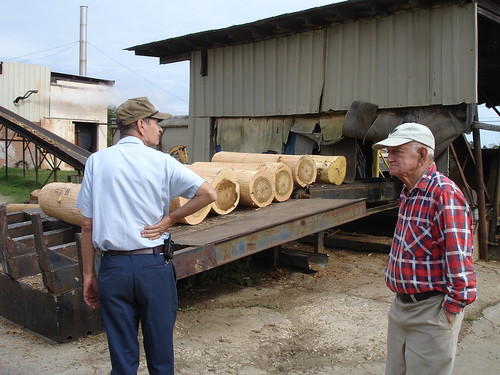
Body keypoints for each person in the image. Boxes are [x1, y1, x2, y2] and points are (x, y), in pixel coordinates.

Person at [76, 96, 217, 375]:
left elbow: (87, 227)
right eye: (156, 122)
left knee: (122, 356)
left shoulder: (97, 161)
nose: (160, 128)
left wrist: (89, 275)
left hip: (113, 268)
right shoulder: (161, 162)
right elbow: (208, 194)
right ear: (141, 125)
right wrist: (169, 220)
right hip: (152, 265)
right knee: (161, 354)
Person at [372, 123, 477, 375]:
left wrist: (450, 311)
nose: (389, 157)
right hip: (401, 307)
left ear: (421, 154)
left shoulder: (444, 194)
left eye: (397, 151)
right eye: (388, 151)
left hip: (431, 310)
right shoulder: (409, 193)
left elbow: (460, 261)